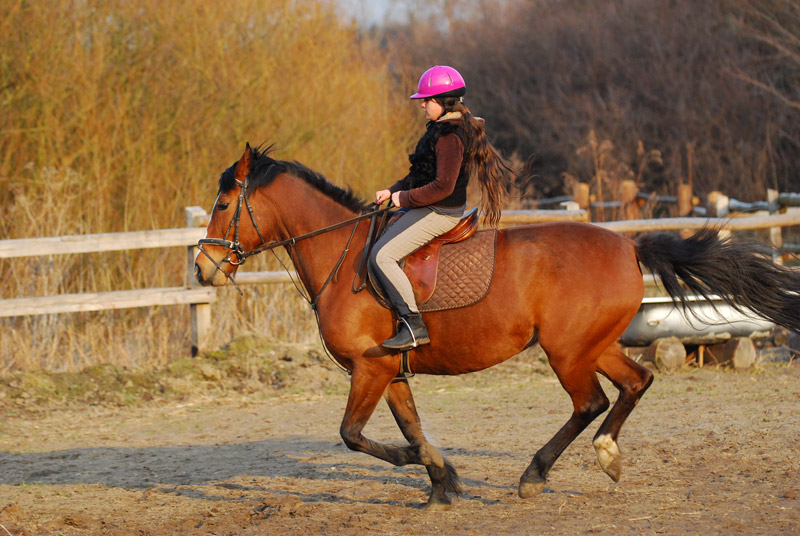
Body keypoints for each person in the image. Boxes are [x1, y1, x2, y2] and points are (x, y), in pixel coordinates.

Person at [370, 65, 514, 351]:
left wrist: (405, 199)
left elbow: (443, 187)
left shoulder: (450, 136)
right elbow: (420, 174)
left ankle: (413, 325)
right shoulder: (439, 129)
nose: (422, 104)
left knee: (382, 256)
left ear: (444, 101)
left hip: (441, 212)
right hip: (429, 206)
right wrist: (393, 190)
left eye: (427, 100)